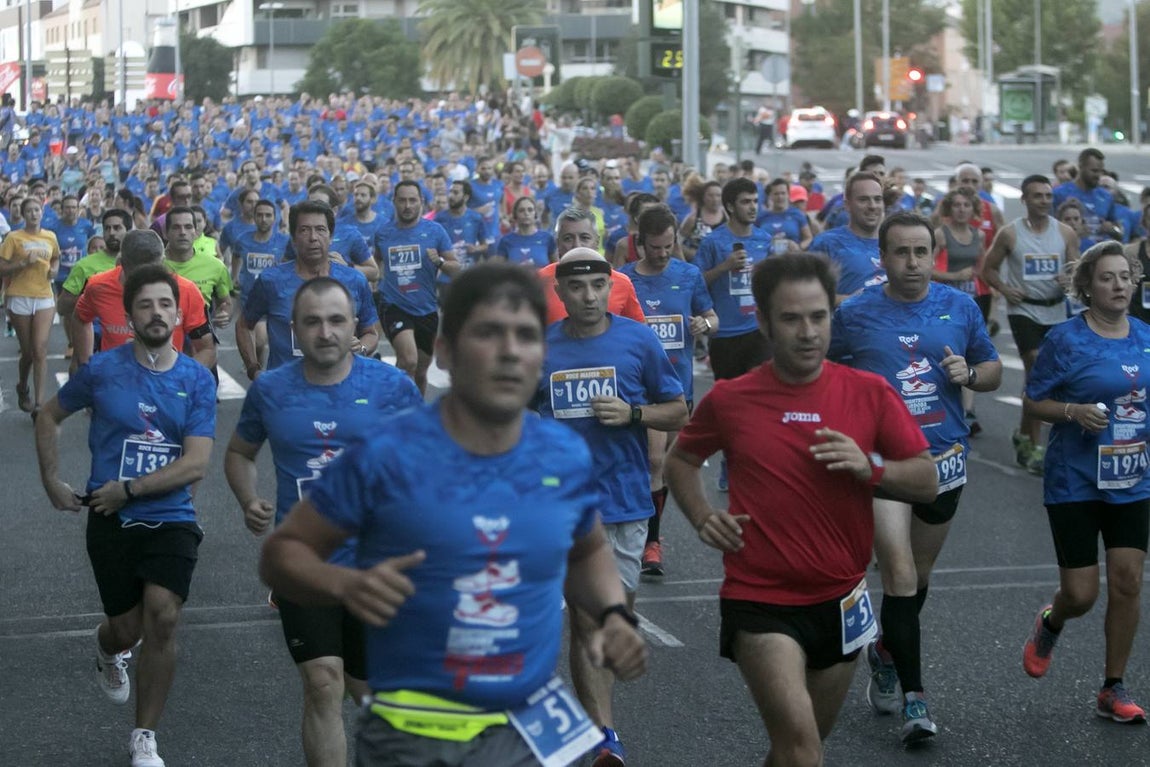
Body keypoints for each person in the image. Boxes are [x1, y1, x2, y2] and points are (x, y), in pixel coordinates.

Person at [260, 262, 647, 767]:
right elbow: (283, 555)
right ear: (446, 351)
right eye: (487, 333)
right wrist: (345, 586)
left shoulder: (561, 455)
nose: (510, 352)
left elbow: (590, 547)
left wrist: (614, 613)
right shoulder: (387, 456)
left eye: (526, 335)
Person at [665, 252, 938, 767]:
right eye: (791, 318)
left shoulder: (868, 392)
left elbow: (926, 480)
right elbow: (682, 458)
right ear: (764, 322)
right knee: (803, 751)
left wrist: (871, 467)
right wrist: (702, 515)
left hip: (840, 598)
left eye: (819, 316)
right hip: (759, 598)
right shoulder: (732, 399)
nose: (808, 332)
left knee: (799, 748)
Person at [225, 277, 423, 767]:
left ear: (355, 324)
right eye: (312, 321)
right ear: (294, 329)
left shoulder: (392, 387)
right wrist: (249, 498)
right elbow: (239, 453)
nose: (326, 331)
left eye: (337, 320)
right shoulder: (270, 390)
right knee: (322, 683)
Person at [829, 212, 1003, 743]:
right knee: (899, 574)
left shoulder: (959, 306)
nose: (912, 262)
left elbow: (991, 369)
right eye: (900, 253)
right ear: (881, 259)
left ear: (934, 255)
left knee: (918, 579)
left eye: (920, 252)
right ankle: (915, 700)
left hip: (944, 460)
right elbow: (824, 374)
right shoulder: (854, 314)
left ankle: (885, 650)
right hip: (885, 466)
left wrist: (969, 376)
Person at [34, 264, 217, 767]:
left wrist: (130, 489)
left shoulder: (197, 380)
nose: (156, 313)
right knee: (127, 628)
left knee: (163, 615)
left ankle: (144, 736)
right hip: (108, 517)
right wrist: (51, 480)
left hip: (171, 514)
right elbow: (48, 416)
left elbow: (197, 461)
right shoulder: (102, 371)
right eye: (145, 305)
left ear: (177, 314)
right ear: (130, 315)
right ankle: (106, 645)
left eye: (164, 304)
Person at [538, 248, 687, 766]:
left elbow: (678, 410)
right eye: (577, 288)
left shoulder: (638, 340)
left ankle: (600, 724)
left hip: (625, 501)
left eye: (598, 286)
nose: (588, 297)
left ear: (612, 287)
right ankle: (604, 736)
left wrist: (633, 413)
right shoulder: (540, 349)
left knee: (614, 619)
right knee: (585, 620)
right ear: (559, 292)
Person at [1021, 241, 1150, 724]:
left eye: (1124, 276)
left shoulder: (1144, 335)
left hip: (1133, 477)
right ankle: (1051, 621)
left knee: (1128, 581)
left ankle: (1112, 687)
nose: (1118, 285)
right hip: (1075, 477)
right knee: (1080, 594)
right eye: (1106, 277)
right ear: (1087, 287)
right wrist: (1072, 411)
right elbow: (1034, 401)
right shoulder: (1066, 340)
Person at [619, 205, 718, 578]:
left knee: (666, 468)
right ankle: (651, 544)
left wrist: (701, 323)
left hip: (680, 388)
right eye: (654, 247)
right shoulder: (624, 279)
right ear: (639, 244)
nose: (661, 254)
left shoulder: (689, 275)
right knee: (655, 461)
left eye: (668, 246)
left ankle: (645, 529)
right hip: (641, 389)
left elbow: (713, 317)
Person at [979, 175, 1080, 474]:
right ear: (1024, 200)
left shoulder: (1064, 233)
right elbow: (988, 269)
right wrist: (1006, 289)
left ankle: (1023, 435)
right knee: (1036, 368)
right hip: (1024, 311)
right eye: (1037, 196)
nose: (1045, 201)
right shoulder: (1010, 234)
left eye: (1048, 195)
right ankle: (1034, 444)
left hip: (1055, 311)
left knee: (1047, 379)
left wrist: (1070, 279)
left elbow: (1077, 270)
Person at [74, 230, 216, 370]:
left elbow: (206, 349)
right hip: (115, 385)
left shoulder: (186, 290)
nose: (144, 284)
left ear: (162, 262)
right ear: (120, 263)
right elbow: (80, 318)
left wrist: (182, 380)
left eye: (152, 275)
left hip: (164, 386)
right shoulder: (98, 286)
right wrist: (86, 364)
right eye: (135, 277)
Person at [374, 180, 459, 394]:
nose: (407, 205)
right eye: (402, 200)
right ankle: (392, 406)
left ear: (421, 202)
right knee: (408, 360)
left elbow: (456, 269)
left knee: (420, 371)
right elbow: (374, 266)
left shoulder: (435, 231)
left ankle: (416, 411)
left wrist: (439, 262)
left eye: (412, 200)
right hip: (393, 304)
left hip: (426, 308)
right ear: (394, 202)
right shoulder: (383, 233)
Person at [933, 187, 988, 433]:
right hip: (946, 301)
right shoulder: (941, 235)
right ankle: (945, 404)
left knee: (970, 353)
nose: (962, 210)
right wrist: (954, 275)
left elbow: (981, 269)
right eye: (956, 205)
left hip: (971, 300)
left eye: (966, 205)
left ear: (973, 208)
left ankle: (968, 411)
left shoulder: (979, 236)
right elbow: (927, 269)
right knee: (949, 352)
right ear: (949, 208)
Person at [0, 196, 61, 415]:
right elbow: (2, 268)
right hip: (19, 296)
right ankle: (22, 387)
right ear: (23, 214)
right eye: (29, 211)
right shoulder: (13, 238)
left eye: (37, 210)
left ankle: (39, 404)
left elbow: (56, 257)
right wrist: (24, 262)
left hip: (44, 296)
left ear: (42, 213)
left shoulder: (50, 236)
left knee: (40, 350)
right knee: (27, 352)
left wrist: (54, 269)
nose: (34, 214)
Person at [537, 207, 646, 326]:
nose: (577, 245)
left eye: (584, 238)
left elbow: (640, 334)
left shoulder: (622, 283)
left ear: (597, 241)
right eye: (568, 238)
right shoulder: (540, 282)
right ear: (557, 243)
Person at [808, 172, 886, 305]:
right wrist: (852, 301)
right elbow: (807, 297)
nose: (872, 206)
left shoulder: (894, 243)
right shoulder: (827, 243)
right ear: (847, 205)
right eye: (863, 200)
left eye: (877, 199)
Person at [1052, 148, 1122, 244]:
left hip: (1101, 252)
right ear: (1081, 167)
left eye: (1101, 171)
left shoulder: (1106, 196)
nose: (1098, 175)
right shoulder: (1059, 193)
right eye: (1094, 171)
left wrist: (1112, 229)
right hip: (1072, 251)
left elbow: (1119, 230)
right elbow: (1048, 227)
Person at [494, 196, 556, 268]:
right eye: (521, 210)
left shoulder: (547, 238)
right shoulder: (506, 241)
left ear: (535, 214)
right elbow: (499, 271)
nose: (526, 213)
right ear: (515, 215)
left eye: (530, 210)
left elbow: (555, 267)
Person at [756, 178, 812, 254]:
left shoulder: (797, 214)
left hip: (792, 258)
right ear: (770, 196)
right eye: (776, 194)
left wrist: (799, 247)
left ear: (788, 195)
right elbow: (754, 239)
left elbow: (808, 238)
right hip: (768, 259)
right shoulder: (761, 216)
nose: (780, 197)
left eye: (783, 193)